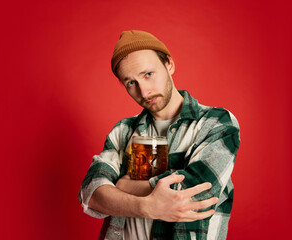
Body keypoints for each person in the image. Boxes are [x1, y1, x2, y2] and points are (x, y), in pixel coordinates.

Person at [78, 30, 240, 240]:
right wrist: (146, 207)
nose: (144, 92)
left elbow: (195, 190)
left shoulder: (215, 122)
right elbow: (91, 194)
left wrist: (124, 185)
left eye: (148, 74)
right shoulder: (123, 131)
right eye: (131, 83)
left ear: (169, 65)